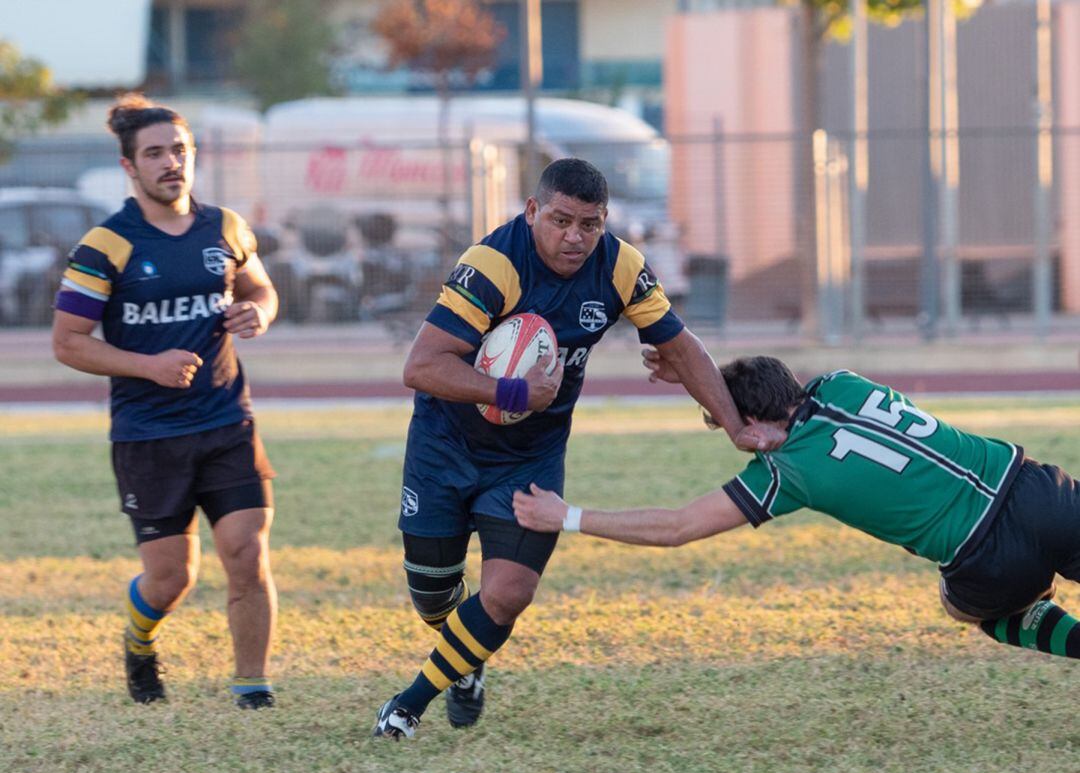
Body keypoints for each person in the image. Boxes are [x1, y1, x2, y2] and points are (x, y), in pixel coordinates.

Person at [372, 158, 783, 739]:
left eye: (589, 224)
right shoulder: (493, 265)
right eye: (561, 220)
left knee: (508, 592)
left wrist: (737, 425)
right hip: (446, 446)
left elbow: (682, 346)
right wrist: (516, 389)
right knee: (435, 599)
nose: (575, 237)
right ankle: (466, 661)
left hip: (529, 456)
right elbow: (421, 366)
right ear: (533, 210)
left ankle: (407, 706)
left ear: (604, 222)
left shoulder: (619, 267)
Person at [514, 355, 1080, 664]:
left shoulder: (786, 473)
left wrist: (567, 516)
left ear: (757, 428)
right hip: (1036, 487)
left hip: (983, 556)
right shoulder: (842, 382)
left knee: (965, 610)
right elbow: (759, 397)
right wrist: (693, 375)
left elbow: (678, 526)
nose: (730, 434)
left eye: (731, 426)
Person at [52, 94, 280, 709]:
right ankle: (140, 638)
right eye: (154, 153)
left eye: (179, 150)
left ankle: (252, 688)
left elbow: (260, 284)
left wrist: (256, 310)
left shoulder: (225, 227)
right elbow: (68, 343)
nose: (170, 162)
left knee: (247, 552)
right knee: (171, 577)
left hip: (228, 419)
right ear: (130, 167)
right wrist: (147, 366)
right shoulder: (106, 245)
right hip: (148, 434)